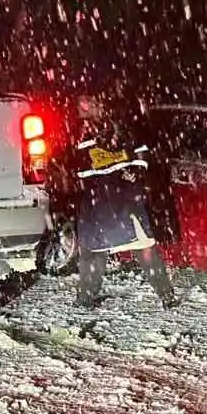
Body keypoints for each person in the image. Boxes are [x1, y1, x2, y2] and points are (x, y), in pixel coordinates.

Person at [69, 91, 177, 309]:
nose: (83, 111)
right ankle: (86, 297)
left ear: (98, 104)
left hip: (125, 198)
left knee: (144, 248)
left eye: (87, 104)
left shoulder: (120, 126)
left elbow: (141, 152)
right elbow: (77, 167)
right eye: (81, 106)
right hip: (98, 200)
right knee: (93, 251)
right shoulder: (77, 133)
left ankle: (166, 295)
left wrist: (135, 171)